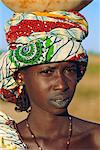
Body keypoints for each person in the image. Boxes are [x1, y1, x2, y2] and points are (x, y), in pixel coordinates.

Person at [0, 10, 100, 150]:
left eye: (70, 70)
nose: (61, 85)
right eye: (47, 72)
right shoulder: (7, 142)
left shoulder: (95, 139)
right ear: (20, 77)